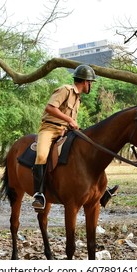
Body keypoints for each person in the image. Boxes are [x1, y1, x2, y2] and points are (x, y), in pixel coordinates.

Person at [31, 64, 119, 211]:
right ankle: (39, 194)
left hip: (66, 131)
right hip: (49, 129)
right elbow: (50, 108)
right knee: (41, 155)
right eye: (90, 82)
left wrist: (71, 125)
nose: (90, 85)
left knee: (88, 151)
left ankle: (101, 192)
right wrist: (70, 119)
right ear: (85, 82)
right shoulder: (65, 90)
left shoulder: (78, 98)